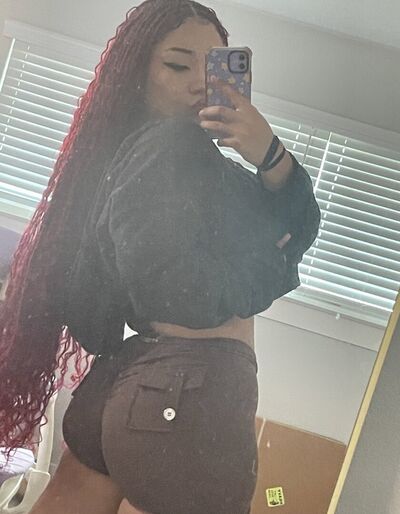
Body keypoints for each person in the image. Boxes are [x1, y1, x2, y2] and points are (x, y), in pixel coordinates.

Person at [0, 1, 321, 513]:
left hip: (137, 382)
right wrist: (273, 265)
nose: (199, 84)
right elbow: (177, 295)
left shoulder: (161, 157)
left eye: (212, 68)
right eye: (177, 65)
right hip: (190, 392)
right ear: (137, 74)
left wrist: (270, 155)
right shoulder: (169, 147)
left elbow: (295, 225)